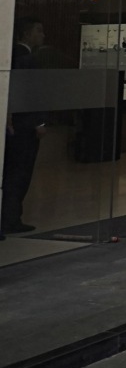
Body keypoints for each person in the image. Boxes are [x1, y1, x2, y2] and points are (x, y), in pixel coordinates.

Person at [3, 17, 46, 235]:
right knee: (19, 172)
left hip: (15, 123)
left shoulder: (12, 56)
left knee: (12, 170)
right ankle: (10, 218)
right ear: (27, 34)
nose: (42, 35)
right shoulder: (27, 59)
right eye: (38, 31)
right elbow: (30, 94)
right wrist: (39, 122)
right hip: (24, 124)